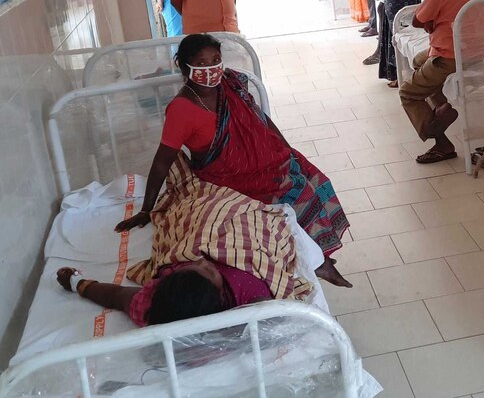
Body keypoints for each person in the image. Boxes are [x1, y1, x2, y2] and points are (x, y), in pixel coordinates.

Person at [114, 35, 351, 286]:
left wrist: (286, 149)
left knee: (311, 182)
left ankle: (317, 255)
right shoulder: (181, 109)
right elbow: (162, 161)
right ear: (184, 68)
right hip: (226, 178)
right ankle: (317, 263)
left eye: (216, 60)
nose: (211, 69)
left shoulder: (231, 84)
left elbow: (261, 120)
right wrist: (145, 210)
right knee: (284, 208)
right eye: (202, 64)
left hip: (266, 161)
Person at [55, 151, 326, 326]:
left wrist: (77, 282)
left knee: (199, 205)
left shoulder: (151, 306)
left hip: (202, 226)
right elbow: (275, 304)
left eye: (194, 267)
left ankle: (195, 189)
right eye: (208, 271)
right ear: (219, 296)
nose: (202, 261)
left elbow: (117, 295)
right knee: (238, 208)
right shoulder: (251, 298)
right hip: (247, 242)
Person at [400, 0, 484, 163]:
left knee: (408, 92)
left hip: (448, 56)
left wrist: (431, 21)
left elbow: (418, 20)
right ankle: (441, 105)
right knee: (419, 61)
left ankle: (437, 132)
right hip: (475, 51)